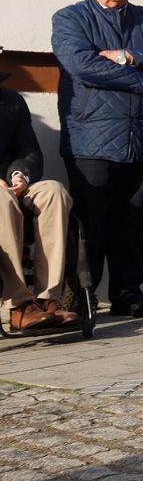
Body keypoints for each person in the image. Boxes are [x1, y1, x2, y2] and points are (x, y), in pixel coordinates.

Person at [52, 0, 143, 318]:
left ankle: (128, 293)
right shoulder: (70, 18)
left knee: (134, 223)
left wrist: (127, 56)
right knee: (89, 224)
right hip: (90, 139)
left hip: (142, 137)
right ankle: (80, 297)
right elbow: (82, 65)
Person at [0, 69, 77, 330]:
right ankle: (18, 304)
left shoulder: (11, 101)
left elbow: (29, 150)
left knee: (54, 192)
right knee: (2, 199)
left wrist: (20, 175)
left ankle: (48, 299)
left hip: (10, 186)